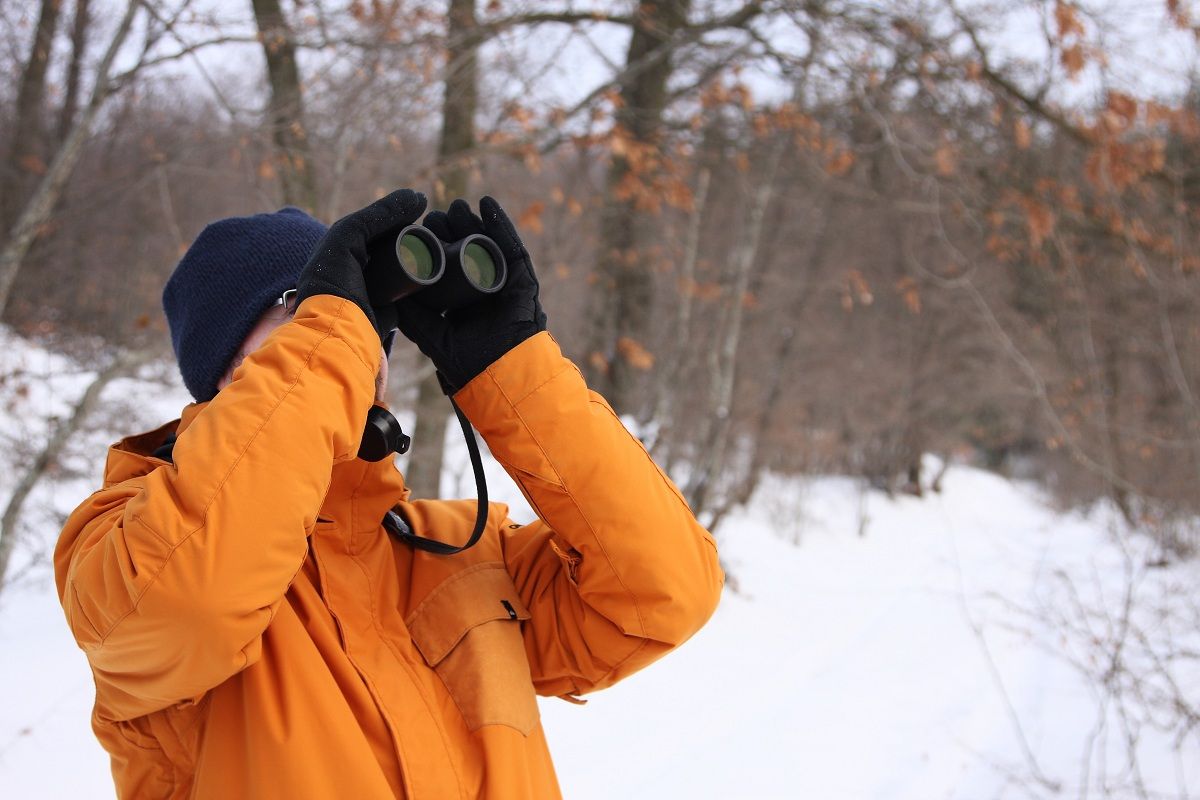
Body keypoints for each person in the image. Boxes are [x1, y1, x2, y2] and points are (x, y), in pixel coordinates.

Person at [53, 189, 724, 799]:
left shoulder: (457, 551)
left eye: (367, 319)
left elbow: (660, 594)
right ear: (226, 362)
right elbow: (188, 602)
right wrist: (327, 336)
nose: (356, 338)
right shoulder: (125, 538)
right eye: (302, 310)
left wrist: (513, 367)